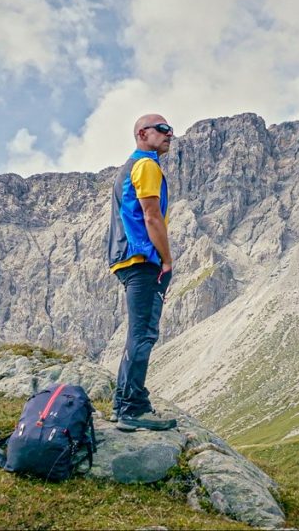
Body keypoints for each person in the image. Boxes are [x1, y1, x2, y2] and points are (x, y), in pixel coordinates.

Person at [105, 113, 178, 432]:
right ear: (141, 133)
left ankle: (125, 402)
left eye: (170, 130)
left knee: (138, 331)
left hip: (125, 259)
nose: (169, 134)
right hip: (141, 258)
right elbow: (151, 217)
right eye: (162, 129)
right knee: (144, 332)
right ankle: (132, 408)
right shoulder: (147, 165)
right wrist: (166, 259)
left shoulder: (127, 167)